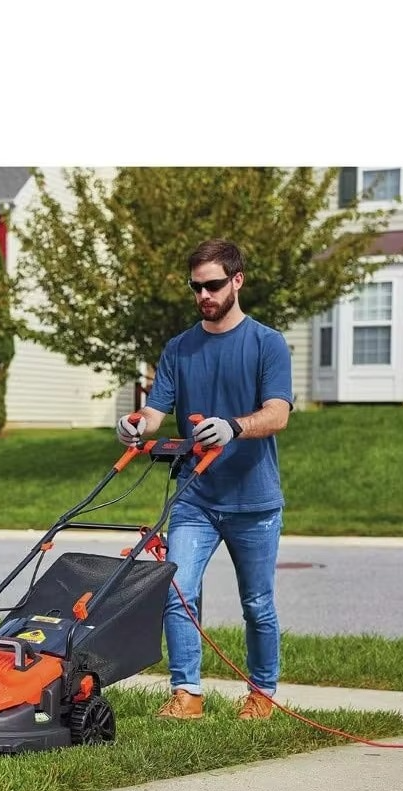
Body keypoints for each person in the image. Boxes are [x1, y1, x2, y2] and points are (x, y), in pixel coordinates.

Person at [115, 239, 293, 720]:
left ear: (237, 280)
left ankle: (262, 693)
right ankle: (187, 692)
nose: (204, 296)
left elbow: (278, 414)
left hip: (253, 501)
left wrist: (235, 426)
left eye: (213, 285)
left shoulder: (267, 343)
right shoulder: (180, 348)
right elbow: (156, 409)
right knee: (179, 589)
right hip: (196, 497)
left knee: (256, 603)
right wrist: (137, 424)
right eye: (196, 287)